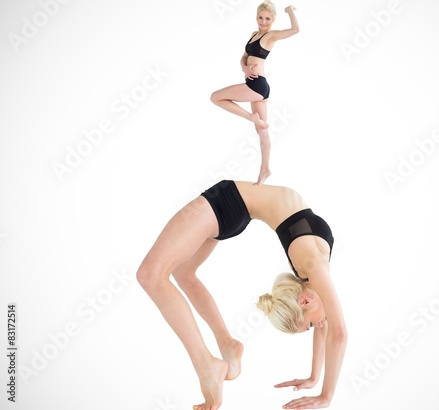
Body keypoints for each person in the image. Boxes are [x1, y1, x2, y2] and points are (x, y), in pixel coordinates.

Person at [137, 180, 347, 410]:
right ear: (305, 300)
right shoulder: (314, 265)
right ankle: (226, 344)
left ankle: (207, 365)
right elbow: (337, 333)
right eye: (310, 325)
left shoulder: (313, 270)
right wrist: (324, 394)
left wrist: (316, 379)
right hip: (232, 205)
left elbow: (327, 328)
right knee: (178, 274)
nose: (319, 325)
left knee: (150, 275)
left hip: (229, 203)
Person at [210, 1, 300, 185]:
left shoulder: (271, 36)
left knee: (215, 97)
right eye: (261, 17)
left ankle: (250, 117)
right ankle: (265, 169)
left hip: (257, 86)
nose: (263, 21)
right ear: (256, 17)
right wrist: (244, 68)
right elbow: (243, 57)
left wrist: (290, 11)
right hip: (256, 84)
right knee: (262, 130)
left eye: (268, 18)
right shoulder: (254, 35)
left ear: (273, 20)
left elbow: (295, 29)